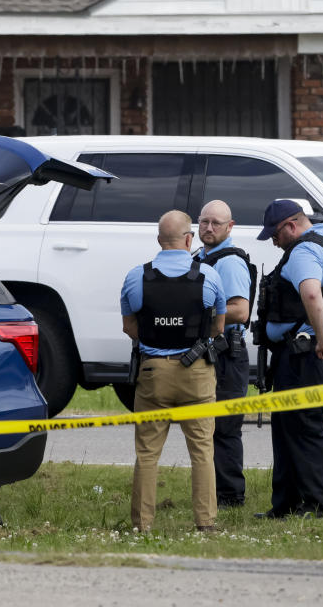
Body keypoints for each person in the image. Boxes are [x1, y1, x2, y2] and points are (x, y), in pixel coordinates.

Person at [120, 210, 227, 532]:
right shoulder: (209, 275)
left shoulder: (135, 276)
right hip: (196, 371)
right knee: (202, 450)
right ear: (189, 238)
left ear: (158, 240)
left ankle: (143, 524)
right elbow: (218, 326)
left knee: (148, 453)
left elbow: (129, 327)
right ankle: (206, 522)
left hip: (153, 373)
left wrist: (156, 340)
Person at [254, 200, 323, 519]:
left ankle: (313, 505)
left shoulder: (303, 252)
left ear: (291, 226)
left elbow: (312, 294)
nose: (273, 240)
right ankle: (285, 504)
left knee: (305, 428)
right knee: (287, 428)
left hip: (304, 354)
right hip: (307, 354)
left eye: (275, 233)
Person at [195, 200, 253, 508]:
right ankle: (212, 493)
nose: (208, 228)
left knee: (225, 429)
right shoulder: (199, 257)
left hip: (228, 355)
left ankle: (230, 497)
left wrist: (199, 317)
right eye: (204, 222)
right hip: (208, 354)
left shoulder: (229, 262)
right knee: (207, 427)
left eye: (216, 223)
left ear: (230, 227)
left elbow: (240, 311)